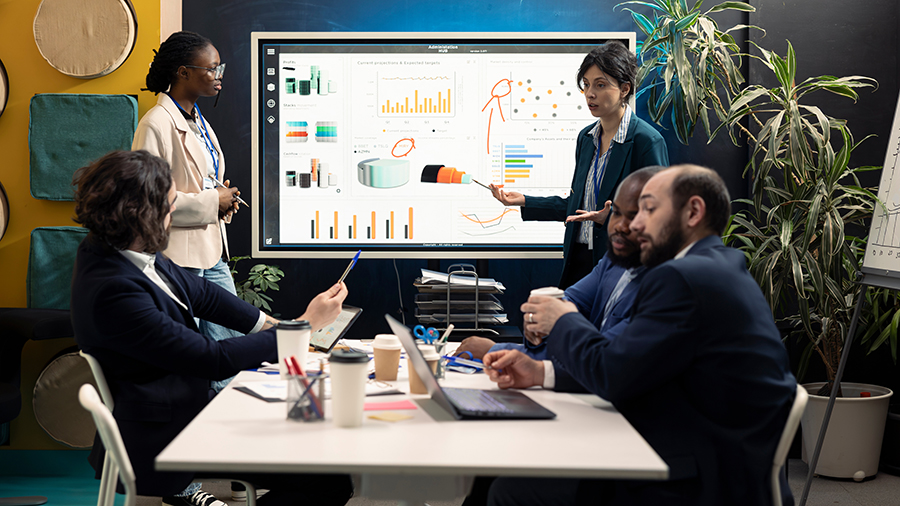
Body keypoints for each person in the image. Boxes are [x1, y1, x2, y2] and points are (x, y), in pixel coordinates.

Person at [482, 165, 796, 506]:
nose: (635, 224)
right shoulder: (716, 265)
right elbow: (634, 365)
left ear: (693, 212)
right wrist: (541, 372)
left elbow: (612, 372)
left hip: (701, 479)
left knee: (509, 489)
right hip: (710, 454)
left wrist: (563, 320)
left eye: (648, 209)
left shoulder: (683, 278)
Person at [70, 150, 353, 506]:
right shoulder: (113, 290)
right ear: (141, 215)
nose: (175, 212)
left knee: (325, 468)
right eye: (171, 205)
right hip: (168, 432)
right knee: (327, 480)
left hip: (180, 409)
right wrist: (303, 328)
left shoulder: (121, 248)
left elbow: (202, 294)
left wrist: (276, 325)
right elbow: (211, 358)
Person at [489, 42, 668, 288]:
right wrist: (523, 200)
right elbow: (577, 209)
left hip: (621, 266)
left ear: (624, 88)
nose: (590, 93)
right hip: (578, 262)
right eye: (586, 85)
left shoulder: (646, 141)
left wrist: (613, 217)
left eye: (600, 85)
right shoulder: (586, 139)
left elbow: (661, 214)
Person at [455, 165, 664, 361]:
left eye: (635, 215)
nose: (621, 226)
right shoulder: (613, 261)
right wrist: (541, 317)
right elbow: (570, 300)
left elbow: (606, 360)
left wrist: (497, 351)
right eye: (616, 213)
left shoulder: (665, 285)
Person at [132, 31, 242, 394]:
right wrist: (214, 202)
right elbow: (148, 200)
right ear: (182, 72)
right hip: (179, 258)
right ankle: (196, 435)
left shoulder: (196, 120)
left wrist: (222, 198)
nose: (219, 74)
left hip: (211, 253)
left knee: (229, 349)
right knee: (189, 358)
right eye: (212, 69)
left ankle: (227, 431)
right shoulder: (156, 123)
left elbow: (202, 179)